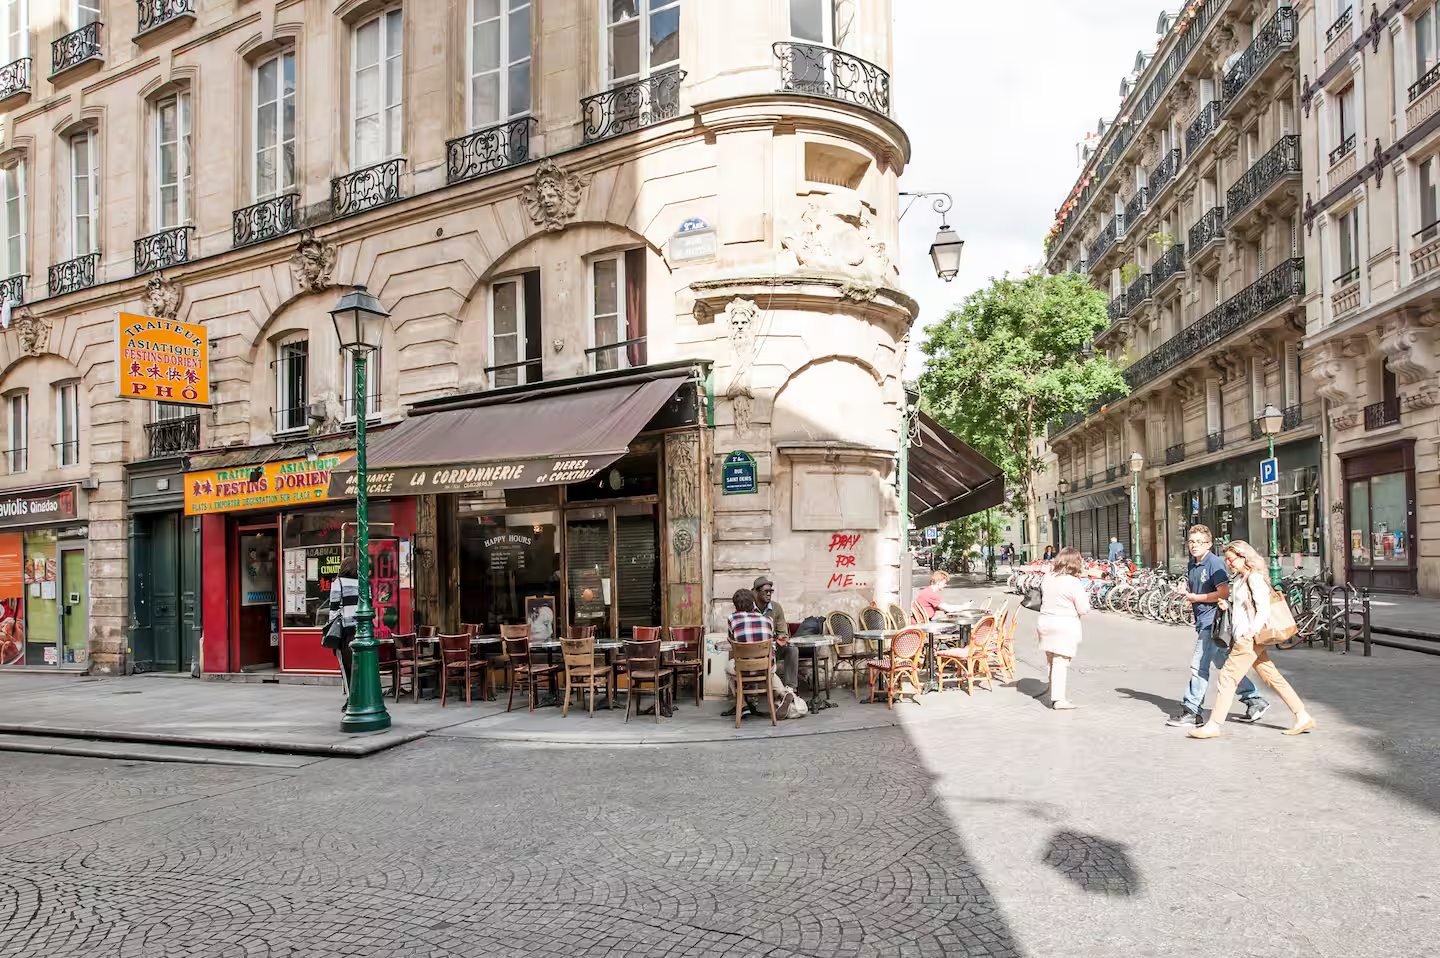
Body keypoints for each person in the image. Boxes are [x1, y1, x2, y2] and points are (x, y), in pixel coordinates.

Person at [1190, 540, 1316, 739]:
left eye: (1231, 560)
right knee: (1273, 677)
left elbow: (1263, 609)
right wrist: (1227, 606)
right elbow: (1244, 607)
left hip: (1249, 637)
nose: (1229, 564)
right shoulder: (1241, 578)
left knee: (1227, 677)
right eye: (1227, 560)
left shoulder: (1255, 578)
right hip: (1249, 636)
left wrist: (1250, 632)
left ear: (1244, 557)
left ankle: (1213, 724)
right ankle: (1302, 715)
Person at [1167, 525, 1269, 728]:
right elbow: (1197, 587)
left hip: (1212, 621)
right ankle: (1254, 700)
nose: (1194, 545)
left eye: (1199, 542)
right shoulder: (1193, 564)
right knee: (1224, 664)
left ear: (1209, 544)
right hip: (1202, 619)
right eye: (1191, 541)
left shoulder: (1215, 564)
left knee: (1199, 665)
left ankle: (1192, 710)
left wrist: (1196, 597)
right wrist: (1185, 590)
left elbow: (1222, 592)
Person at [724, 589, 797, 718]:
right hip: (766, 667)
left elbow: (732, 641)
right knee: (770, 672)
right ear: (753, 603)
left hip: (744, 668)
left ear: (735, 605)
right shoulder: (768, 619)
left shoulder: (732, 619)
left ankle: (742, 705)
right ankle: (782, 693)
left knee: (728, 667)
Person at [1034, 547, 1089, 710]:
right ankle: (1058, 699)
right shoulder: (1073, 582)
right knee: (1061, 661)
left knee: (1051, 661)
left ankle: (1054, 693)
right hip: (1064, 625)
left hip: (1045, 622)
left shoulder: (1048, 577)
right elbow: (1083, 608)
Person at [327, 553, 360, 710]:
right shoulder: (362, 583)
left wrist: (330, 625)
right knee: (359, 665)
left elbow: (333, 608)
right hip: (360, 630)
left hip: (345, 631)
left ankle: (350, 697)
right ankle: (359, 693)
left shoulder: (337, 583)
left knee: (346, 667)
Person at [753, 576, 797, 689]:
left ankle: (790, 689)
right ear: (756, 592)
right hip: (754, 650)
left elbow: (782, 630)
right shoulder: (748, 607)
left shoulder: (776, 607)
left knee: (792, 648)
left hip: (773, 648)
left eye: (770, 591)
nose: (769, 594)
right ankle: (748, 697)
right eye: (765, 591)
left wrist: (782, 637)